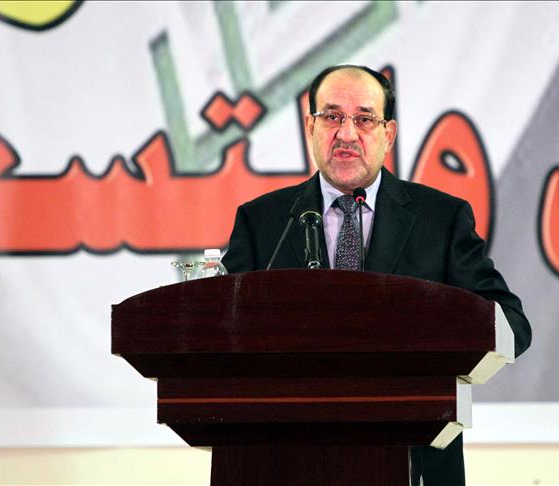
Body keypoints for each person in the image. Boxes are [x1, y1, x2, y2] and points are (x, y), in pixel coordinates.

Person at [222, 65, 531, 486]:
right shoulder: (264, 221)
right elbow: (220, 330)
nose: (346, 134)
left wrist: (428, 340)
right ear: (310, 127)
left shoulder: (440, 219)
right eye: (332, 116)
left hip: (415, 460)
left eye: (364, 119)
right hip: (281, 461)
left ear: (389, 133)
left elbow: (511, 324)